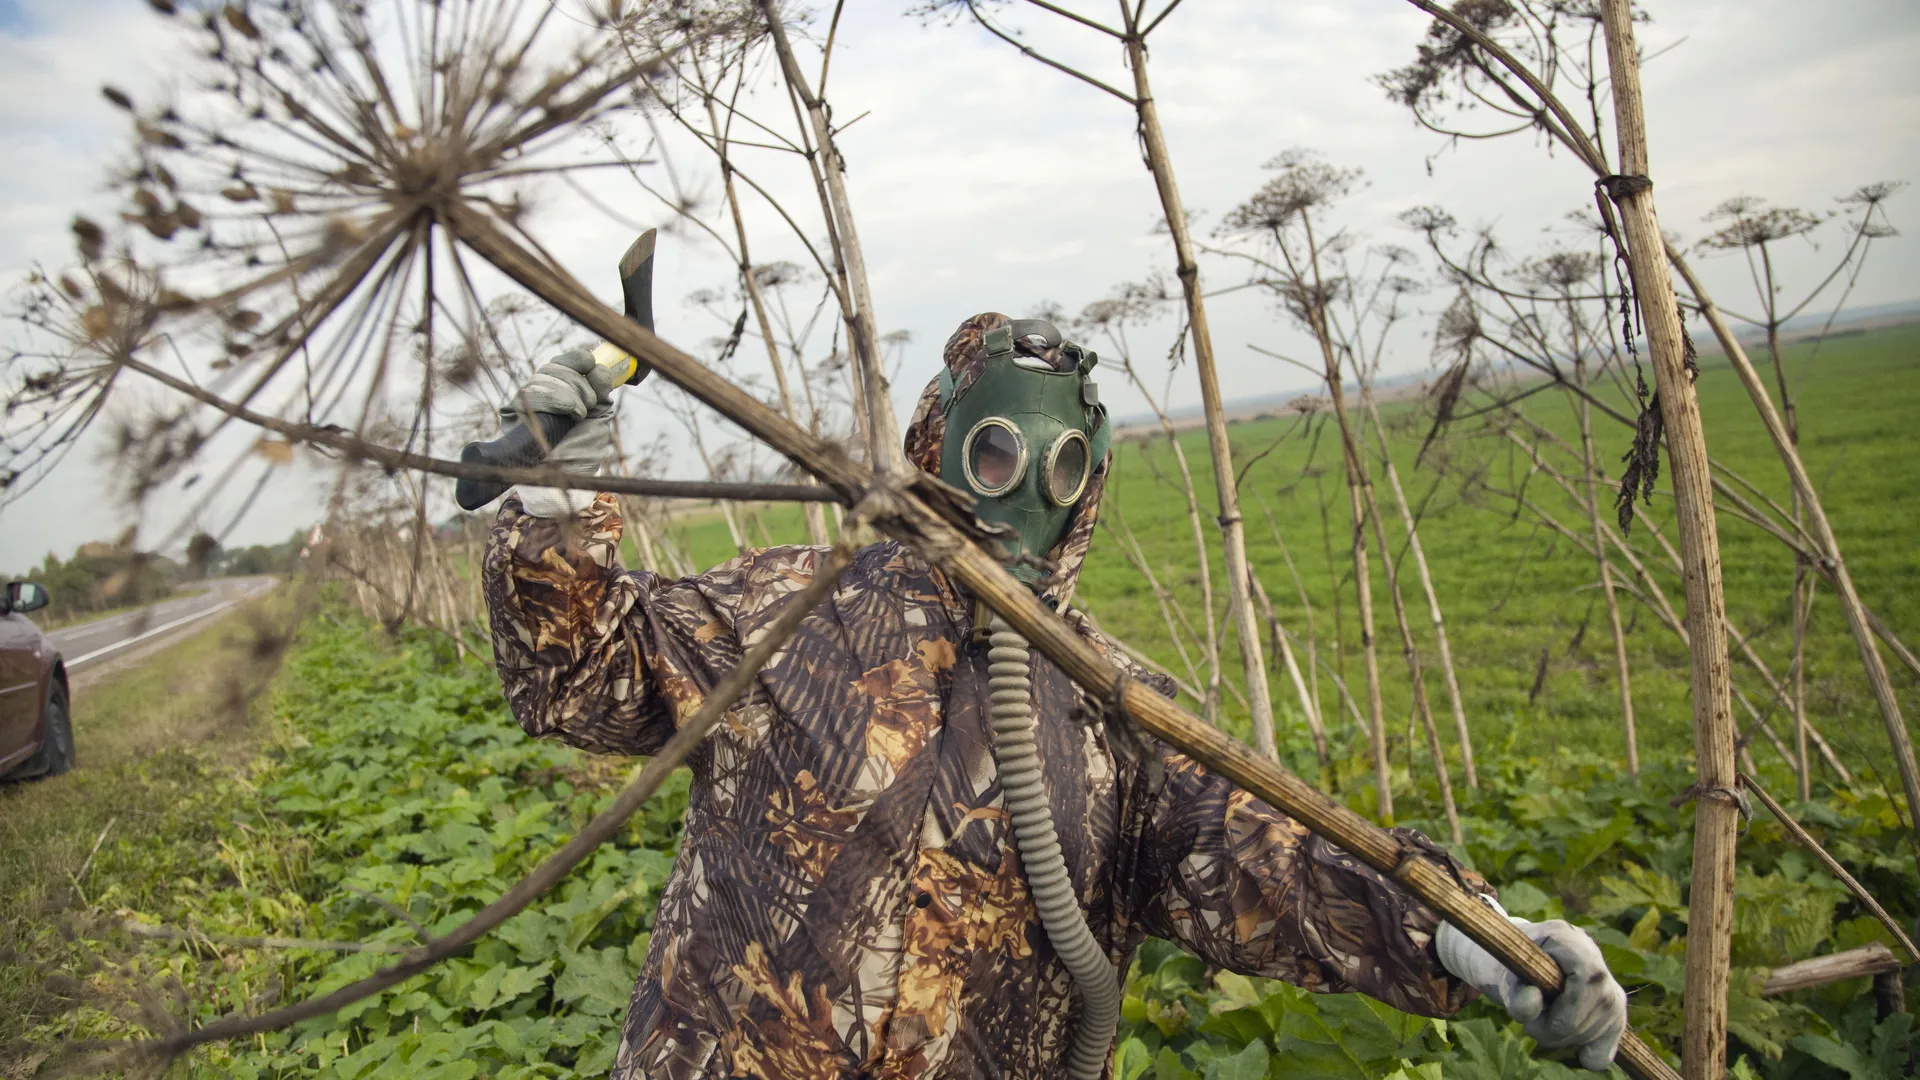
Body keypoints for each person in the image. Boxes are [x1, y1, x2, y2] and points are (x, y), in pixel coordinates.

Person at [480, 312, 1627, 1080]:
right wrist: (553, 508)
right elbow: (585, 677)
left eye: (1056, 467)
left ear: (1089, 481)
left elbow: (1267, 863)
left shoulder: (1120, 717)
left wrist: (1468, 939)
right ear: (938, 441)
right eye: (992, 457)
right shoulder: (794, 607)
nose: (1022, 492)